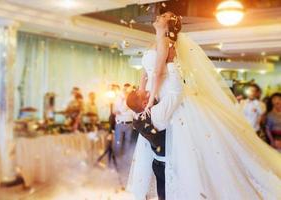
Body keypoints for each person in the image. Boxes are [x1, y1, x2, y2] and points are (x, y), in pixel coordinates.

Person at [127, 11, 281, 200]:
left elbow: (159, 72)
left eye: (164, 16)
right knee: (160, 144)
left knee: (181, 147)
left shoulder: (166, 42)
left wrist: (149, 102)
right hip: (157, 94)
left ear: (168, 25)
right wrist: (142, 93)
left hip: (166, 93)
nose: (159, 17)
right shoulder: (156, 41)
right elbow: (146, 74)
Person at [113, 83, 133, 156]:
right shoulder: (118, 98)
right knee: (118, 141)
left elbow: (132, 111)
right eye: (125, 89)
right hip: (120, 123)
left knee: (128, 141)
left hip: (130, 123)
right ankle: (117, 158)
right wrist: (118, 111)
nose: (126, 91)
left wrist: (120, 111)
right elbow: (115, 111)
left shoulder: (132, 99)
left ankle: (126, 159)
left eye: (128, 89)